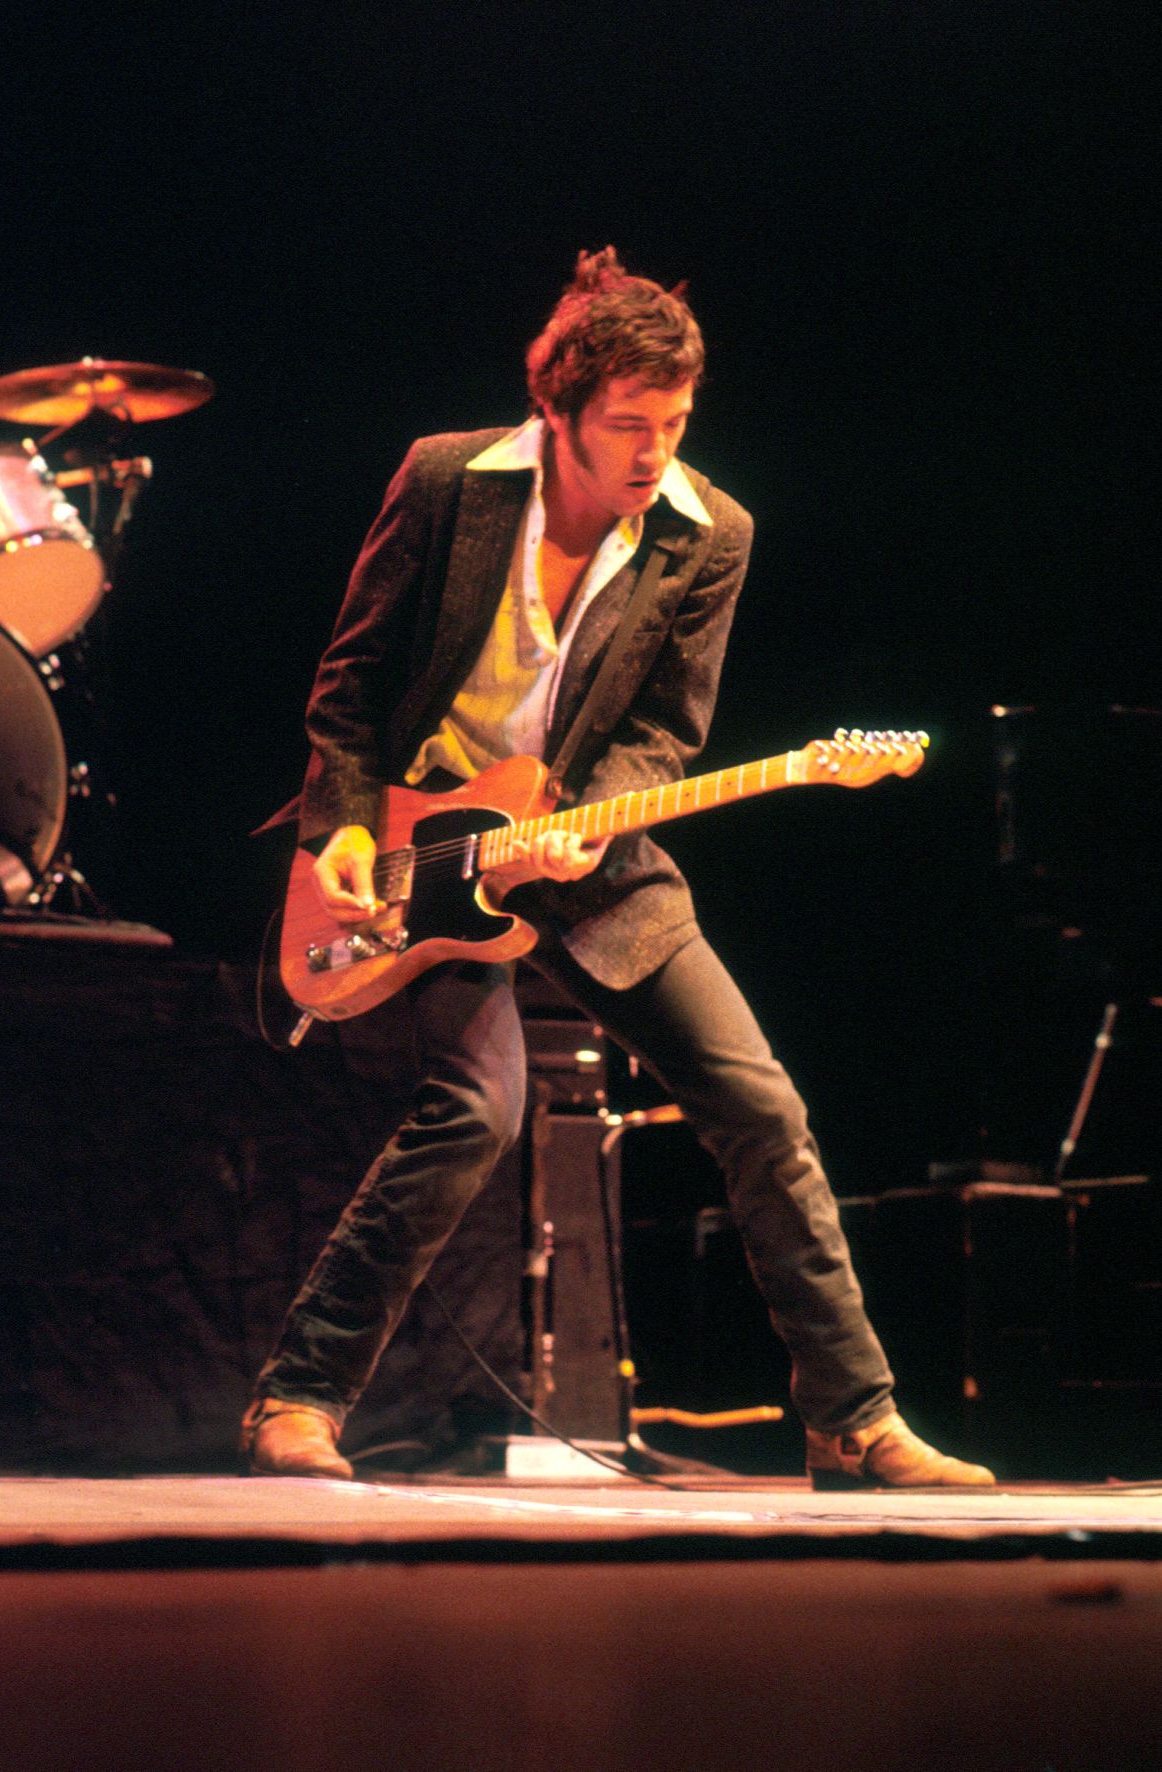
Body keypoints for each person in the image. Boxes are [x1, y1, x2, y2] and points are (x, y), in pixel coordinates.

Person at [241, 248, 994, 1490]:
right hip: (425, 859)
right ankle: (299, 1398)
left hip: (592, 855)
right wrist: (343, 830)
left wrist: (586, 816)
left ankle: (855, 1422)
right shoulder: (446, 480)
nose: (656, 452)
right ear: (561, 413)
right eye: (630, 425)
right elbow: (350, 687)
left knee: (763, 1107)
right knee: (477, 1109)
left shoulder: (712, 531)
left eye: (677, 423)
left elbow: (668, 729)